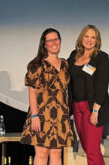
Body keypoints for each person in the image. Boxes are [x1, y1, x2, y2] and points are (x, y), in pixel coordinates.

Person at [21, 28, 74, 165]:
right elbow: (32, 91)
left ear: (60, 41)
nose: (53, 43)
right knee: (42, 154)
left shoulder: (65, 64)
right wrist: (34, 116)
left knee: (57, 154)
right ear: (44, 44)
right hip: (41, 115)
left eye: (56, 39)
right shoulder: (36, 65)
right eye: (49, 40)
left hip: (60, 116)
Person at [68, 25, 109, 165]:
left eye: (93, 37)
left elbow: (102, 85)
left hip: (92, 108)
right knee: (88, 149)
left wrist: (95, 111)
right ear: (81, 38)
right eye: (86, 36)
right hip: (76, 107)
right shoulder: (74, 55)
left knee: (92, 150)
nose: (89, 40)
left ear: (97, 41)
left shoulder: (101, 57)